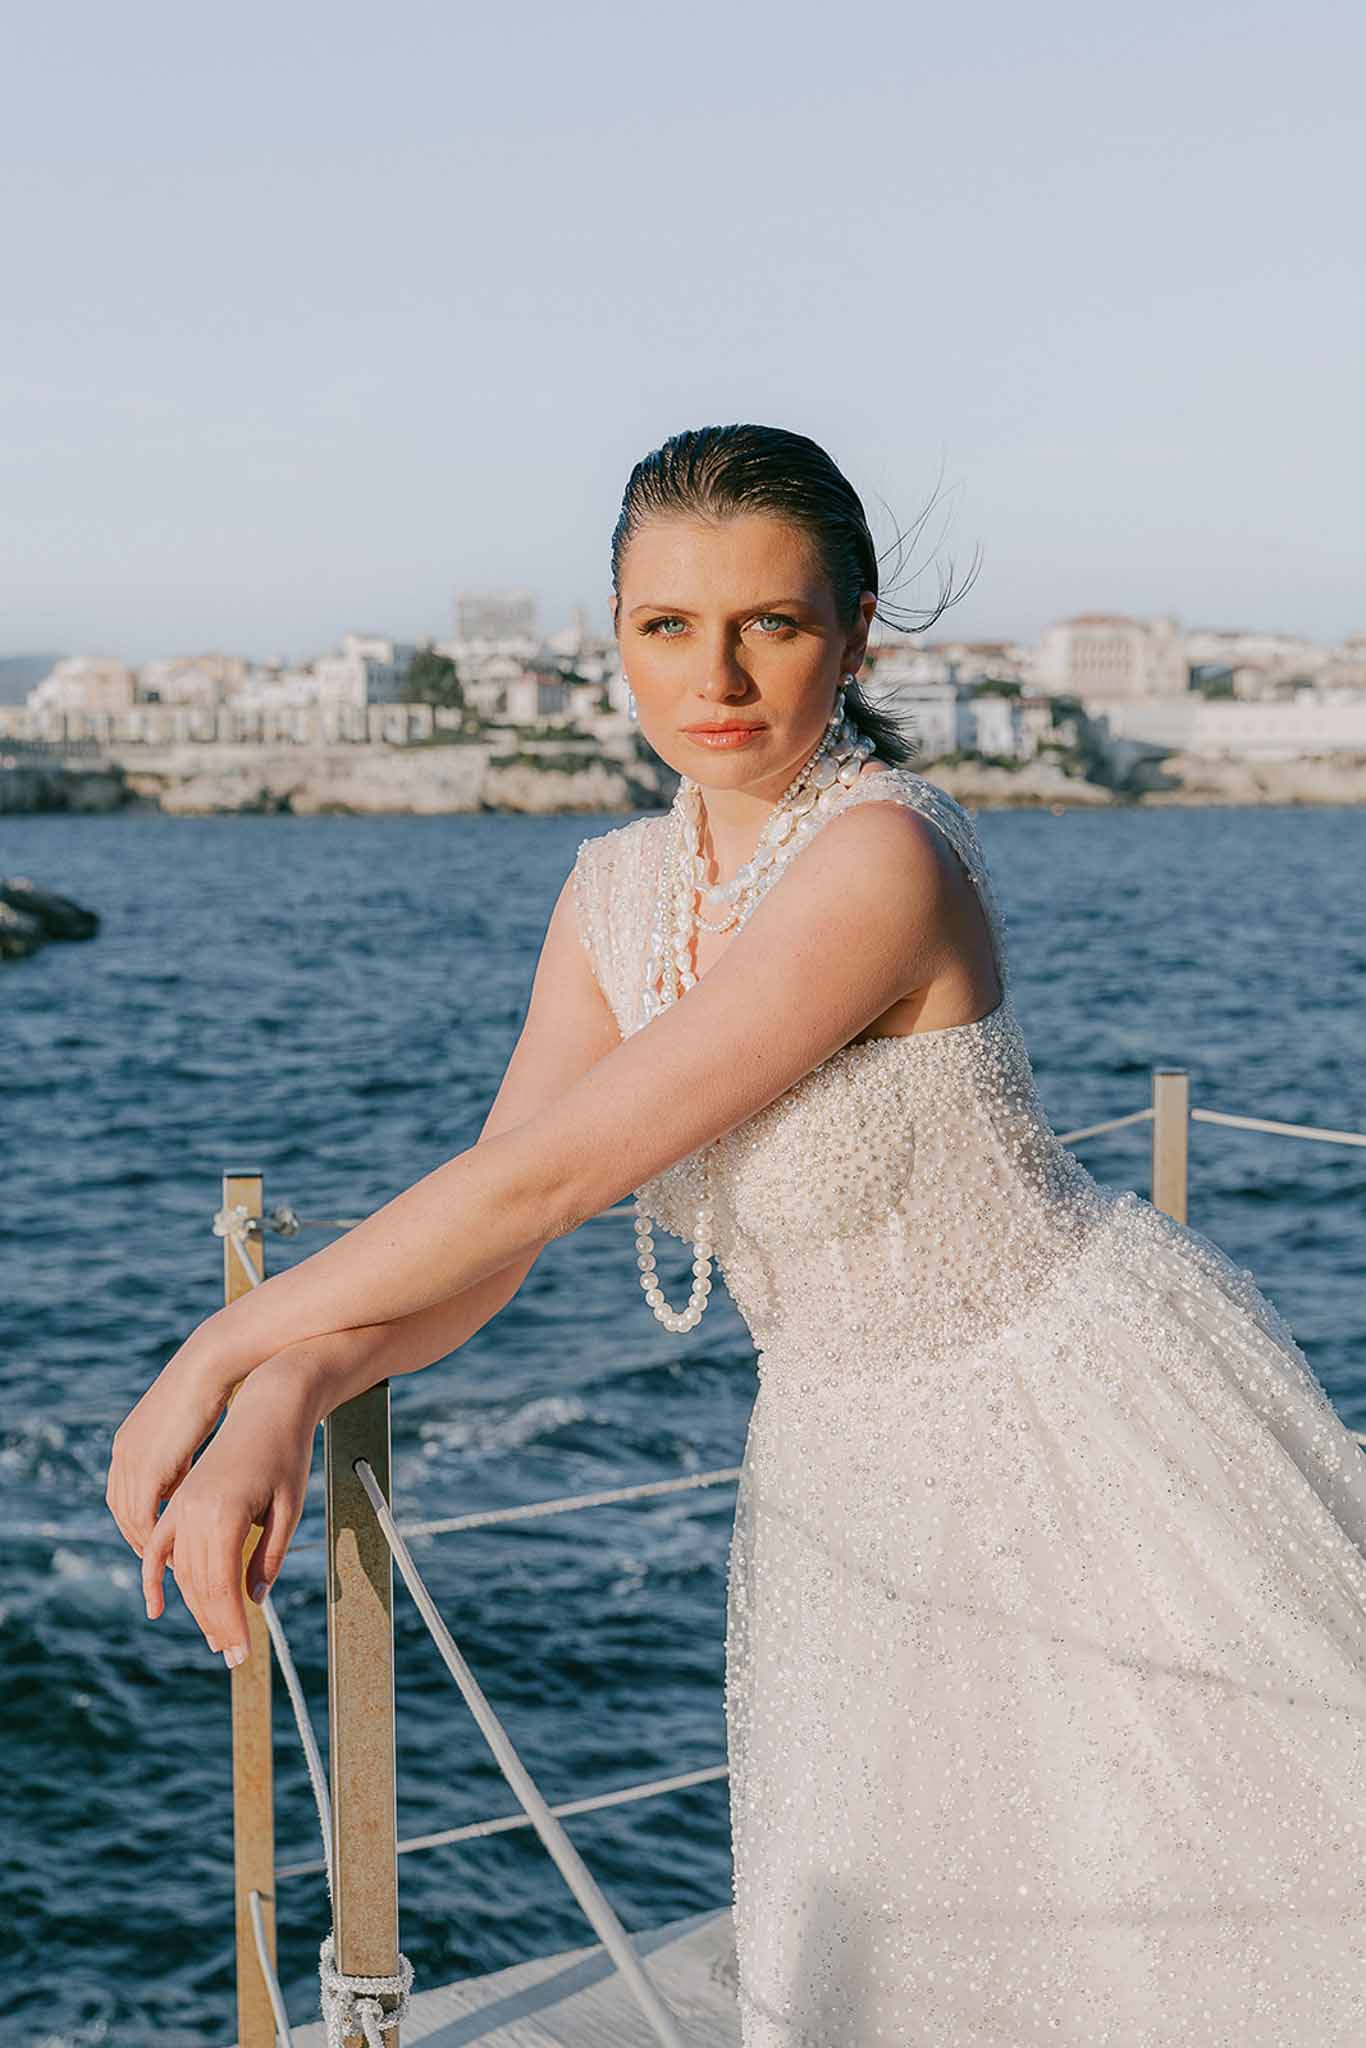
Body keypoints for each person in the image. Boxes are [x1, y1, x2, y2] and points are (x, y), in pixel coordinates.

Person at [107, 424, 1366, 2043]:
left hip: (1078, 1431)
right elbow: (490, 1239)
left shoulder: (879, 858)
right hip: (841, 1474)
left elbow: (540, 1188)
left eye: (769, 623)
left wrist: (218, 1345)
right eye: (665, 626)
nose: (716, 674)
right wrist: (292, 1388)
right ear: (612, 636)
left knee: (1197, 1930)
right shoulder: (614, 892)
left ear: (853, 636)